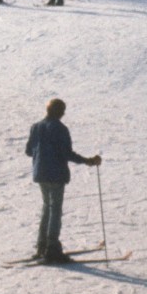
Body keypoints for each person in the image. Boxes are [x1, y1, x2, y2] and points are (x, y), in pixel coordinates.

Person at [24, 98, 101, 263]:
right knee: (55, 210)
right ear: (60, 112)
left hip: (40, 173)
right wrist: (88, 161)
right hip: (56, 174)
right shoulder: (60, 129)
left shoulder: (36, 127)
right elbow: (67, 153)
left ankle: (41, 246)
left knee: (47, 208)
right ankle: (52, 249)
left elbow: (29, 151)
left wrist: (42, 155)